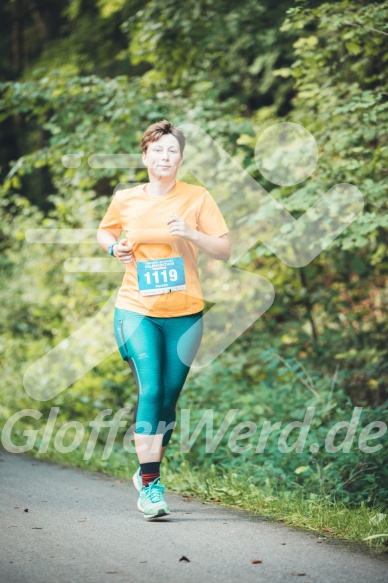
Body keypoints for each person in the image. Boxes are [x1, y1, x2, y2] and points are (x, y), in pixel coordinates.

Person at [96, 119, 231, 520]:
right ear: (145, 156)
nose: (164, 156)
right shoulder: (126, 198)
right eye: (157, 150)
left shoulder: (197, 197)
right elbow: (105, 233)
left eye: (172, 150)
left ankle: (145, 470)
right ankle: (152, 487)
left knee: (168, 402)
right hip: (136, 310)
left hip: (185, 314)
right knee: (151, 389)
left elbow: (223, 249)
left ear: (181, 157)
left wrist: (191, 233)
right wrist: (114, 249)